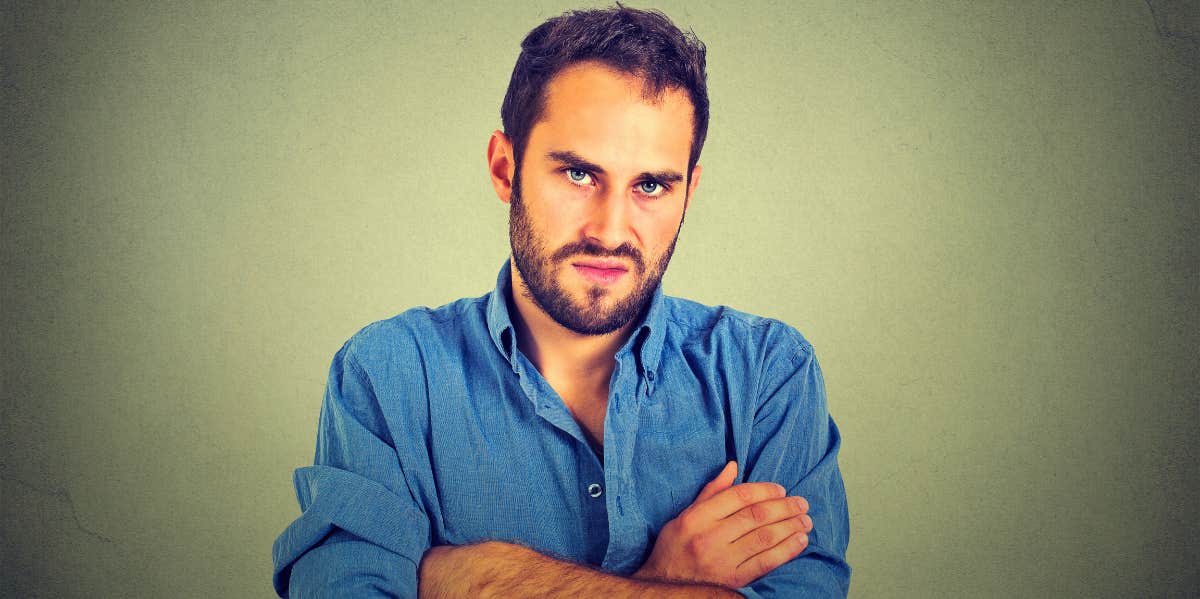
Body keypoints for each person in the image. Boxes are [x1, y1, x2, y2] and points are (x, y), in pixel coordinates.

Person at [272, 6, 850, 597]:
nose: (610, 229)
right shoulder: (388, 374)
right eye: (578, 174)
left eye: (651, 185)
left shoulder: (766, 375)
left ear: (688, 191)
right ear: (505, 168)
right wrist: (664, 582)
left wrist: (480, 579)